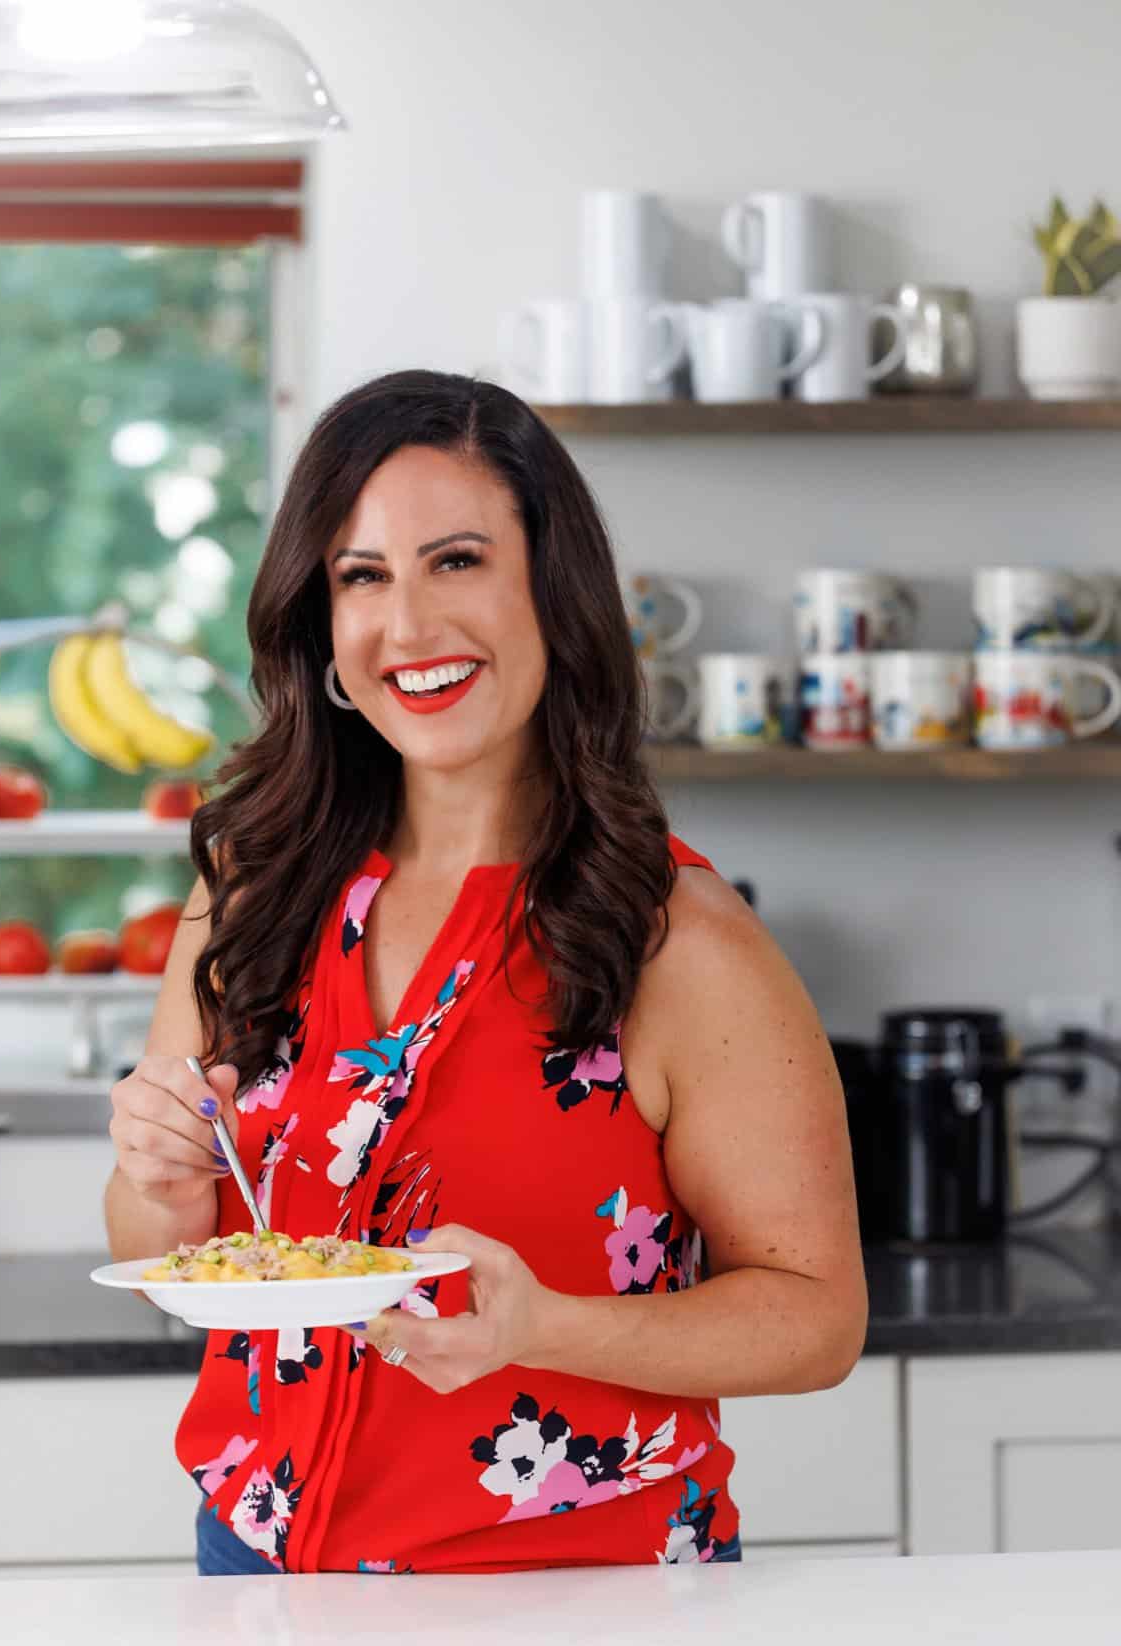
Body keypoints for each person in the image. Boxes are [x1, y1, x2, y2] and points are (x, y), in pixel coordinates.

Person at [105, 369, 867, 1576]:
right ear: (325, 626)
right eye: (363, 576)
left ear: (552, 599)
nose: (407, 626)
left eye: (455, 561)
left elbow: (819, 1317)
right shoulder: (252, 889)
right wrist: (157, 1173)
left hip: (579, 1603)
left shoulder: (676, 936)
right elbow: (164, 1250)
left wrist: (543, 1328)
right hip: (259, 1574)